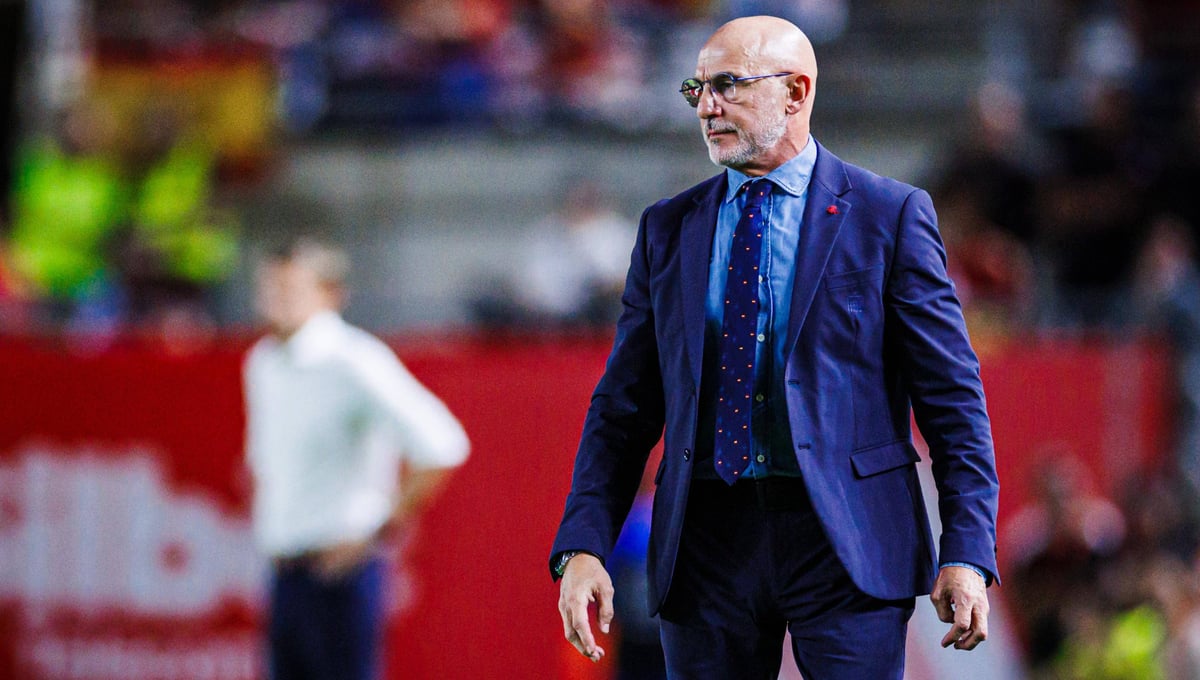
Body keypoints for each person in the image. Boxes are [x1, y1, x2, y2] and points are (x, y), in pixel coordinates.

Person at [549, 16, 999, 679]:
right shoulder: (667, 229)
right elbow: (622, 409)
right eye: (697, 89)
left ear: (795, 92)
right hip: (705, 544)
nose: (707, 107)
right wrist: (584, 545)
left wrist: (967, 550)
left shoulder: (889, 215)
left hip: (849, 540)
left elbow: (952, 401)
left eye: (728, 85)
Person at [243, 237, 470, 680]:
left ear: (329, 293)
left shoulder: (353, 360)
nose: (275, 302)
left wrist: (376, 530)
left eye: (290, 290)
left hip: (339, 575)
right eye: (269, 289)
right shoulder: (263, 362)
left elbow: (442, 444)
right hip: (283, 571)